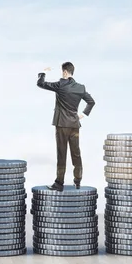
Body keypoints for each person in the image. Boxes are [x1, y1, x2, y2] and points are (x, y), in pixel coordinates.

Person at [37, 62, 95, 191]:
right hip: (74, 124)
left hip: (62, 125)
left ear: (64, 72)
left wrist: (43, 72)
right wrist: (83, 115)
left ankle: (59, 183)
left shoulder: (60, 85)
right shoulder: (80, 87)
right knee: (76, 153)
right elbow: (91, 102)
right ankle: (78, 180)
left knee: (61, 153)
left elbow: (40, 83)